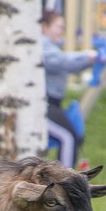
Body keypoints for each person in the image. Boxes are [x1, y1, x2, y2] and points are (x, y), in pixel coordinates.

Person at [41, 10, 98, 169]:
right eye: (58, 26)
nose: (61, 30)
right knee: (68, 138)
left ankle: (64, 178)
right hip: (43, 104)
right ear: (44, 27)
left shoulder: (50, 47)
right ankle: (64, 182)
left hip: (53, 104)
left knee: (73, 136)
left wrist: (90, 61)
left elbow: (67, 63)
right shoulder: (41, 45)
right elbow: (62, 62)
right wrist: (89, 57)